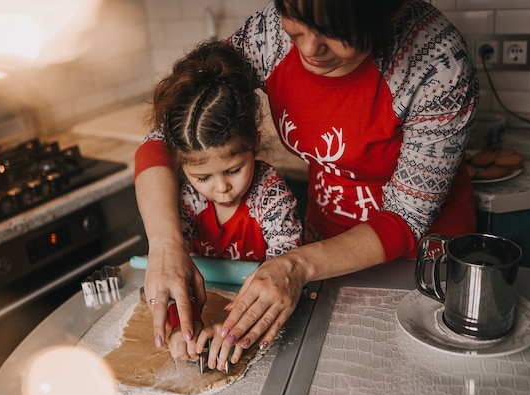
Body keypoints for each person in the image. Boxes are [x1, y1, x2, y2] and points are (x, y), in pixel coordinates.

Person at [134, 0, 479, 370]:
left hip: (419, 266)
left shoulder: (436, 62)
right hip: (321, 249)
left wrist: (295, 267)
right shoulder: (271, 35)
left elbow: (404, 219)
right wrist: (166, 244)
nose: (310, 47)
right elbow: (168, 130)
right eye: (296, 21)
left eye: (335, 33)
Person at [138, 40, 303, 366]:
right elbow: (172, 276)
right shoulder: (183, 199)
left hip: (256, 315)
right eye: (203, 178)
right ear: (180, 166)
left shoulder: (271, 197)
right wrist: (179, 328)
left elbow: (281, 278)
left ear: (254, 143)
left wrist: (230, 331)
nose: (222, 188)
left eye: (234, 169)